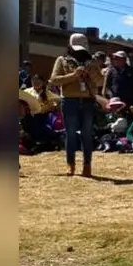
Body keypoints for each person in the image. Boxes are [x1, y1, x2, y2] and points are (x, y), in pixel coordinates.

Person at [49, 33, 103, 177]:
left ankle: (87, 166)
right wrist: (73, 76)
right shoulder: (62, 60)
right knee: (71, 134)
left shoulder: (92, 62)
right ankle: (70, 164)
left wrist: (91, 73)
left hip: (87, 101)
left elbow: (100, 82)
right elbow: (54, 80)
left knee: (87, 134)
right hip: (70, 101)